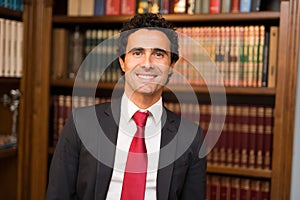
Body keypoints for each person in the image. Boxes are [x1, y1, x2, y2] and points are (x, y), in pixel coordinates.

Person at [46, 13, 206, 200]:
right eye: (137, 53)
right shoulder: (81, 123)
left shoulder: (190, 136)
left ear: (171, 65)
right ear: (122, 62)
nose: (147, 64)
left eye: (158, 54)